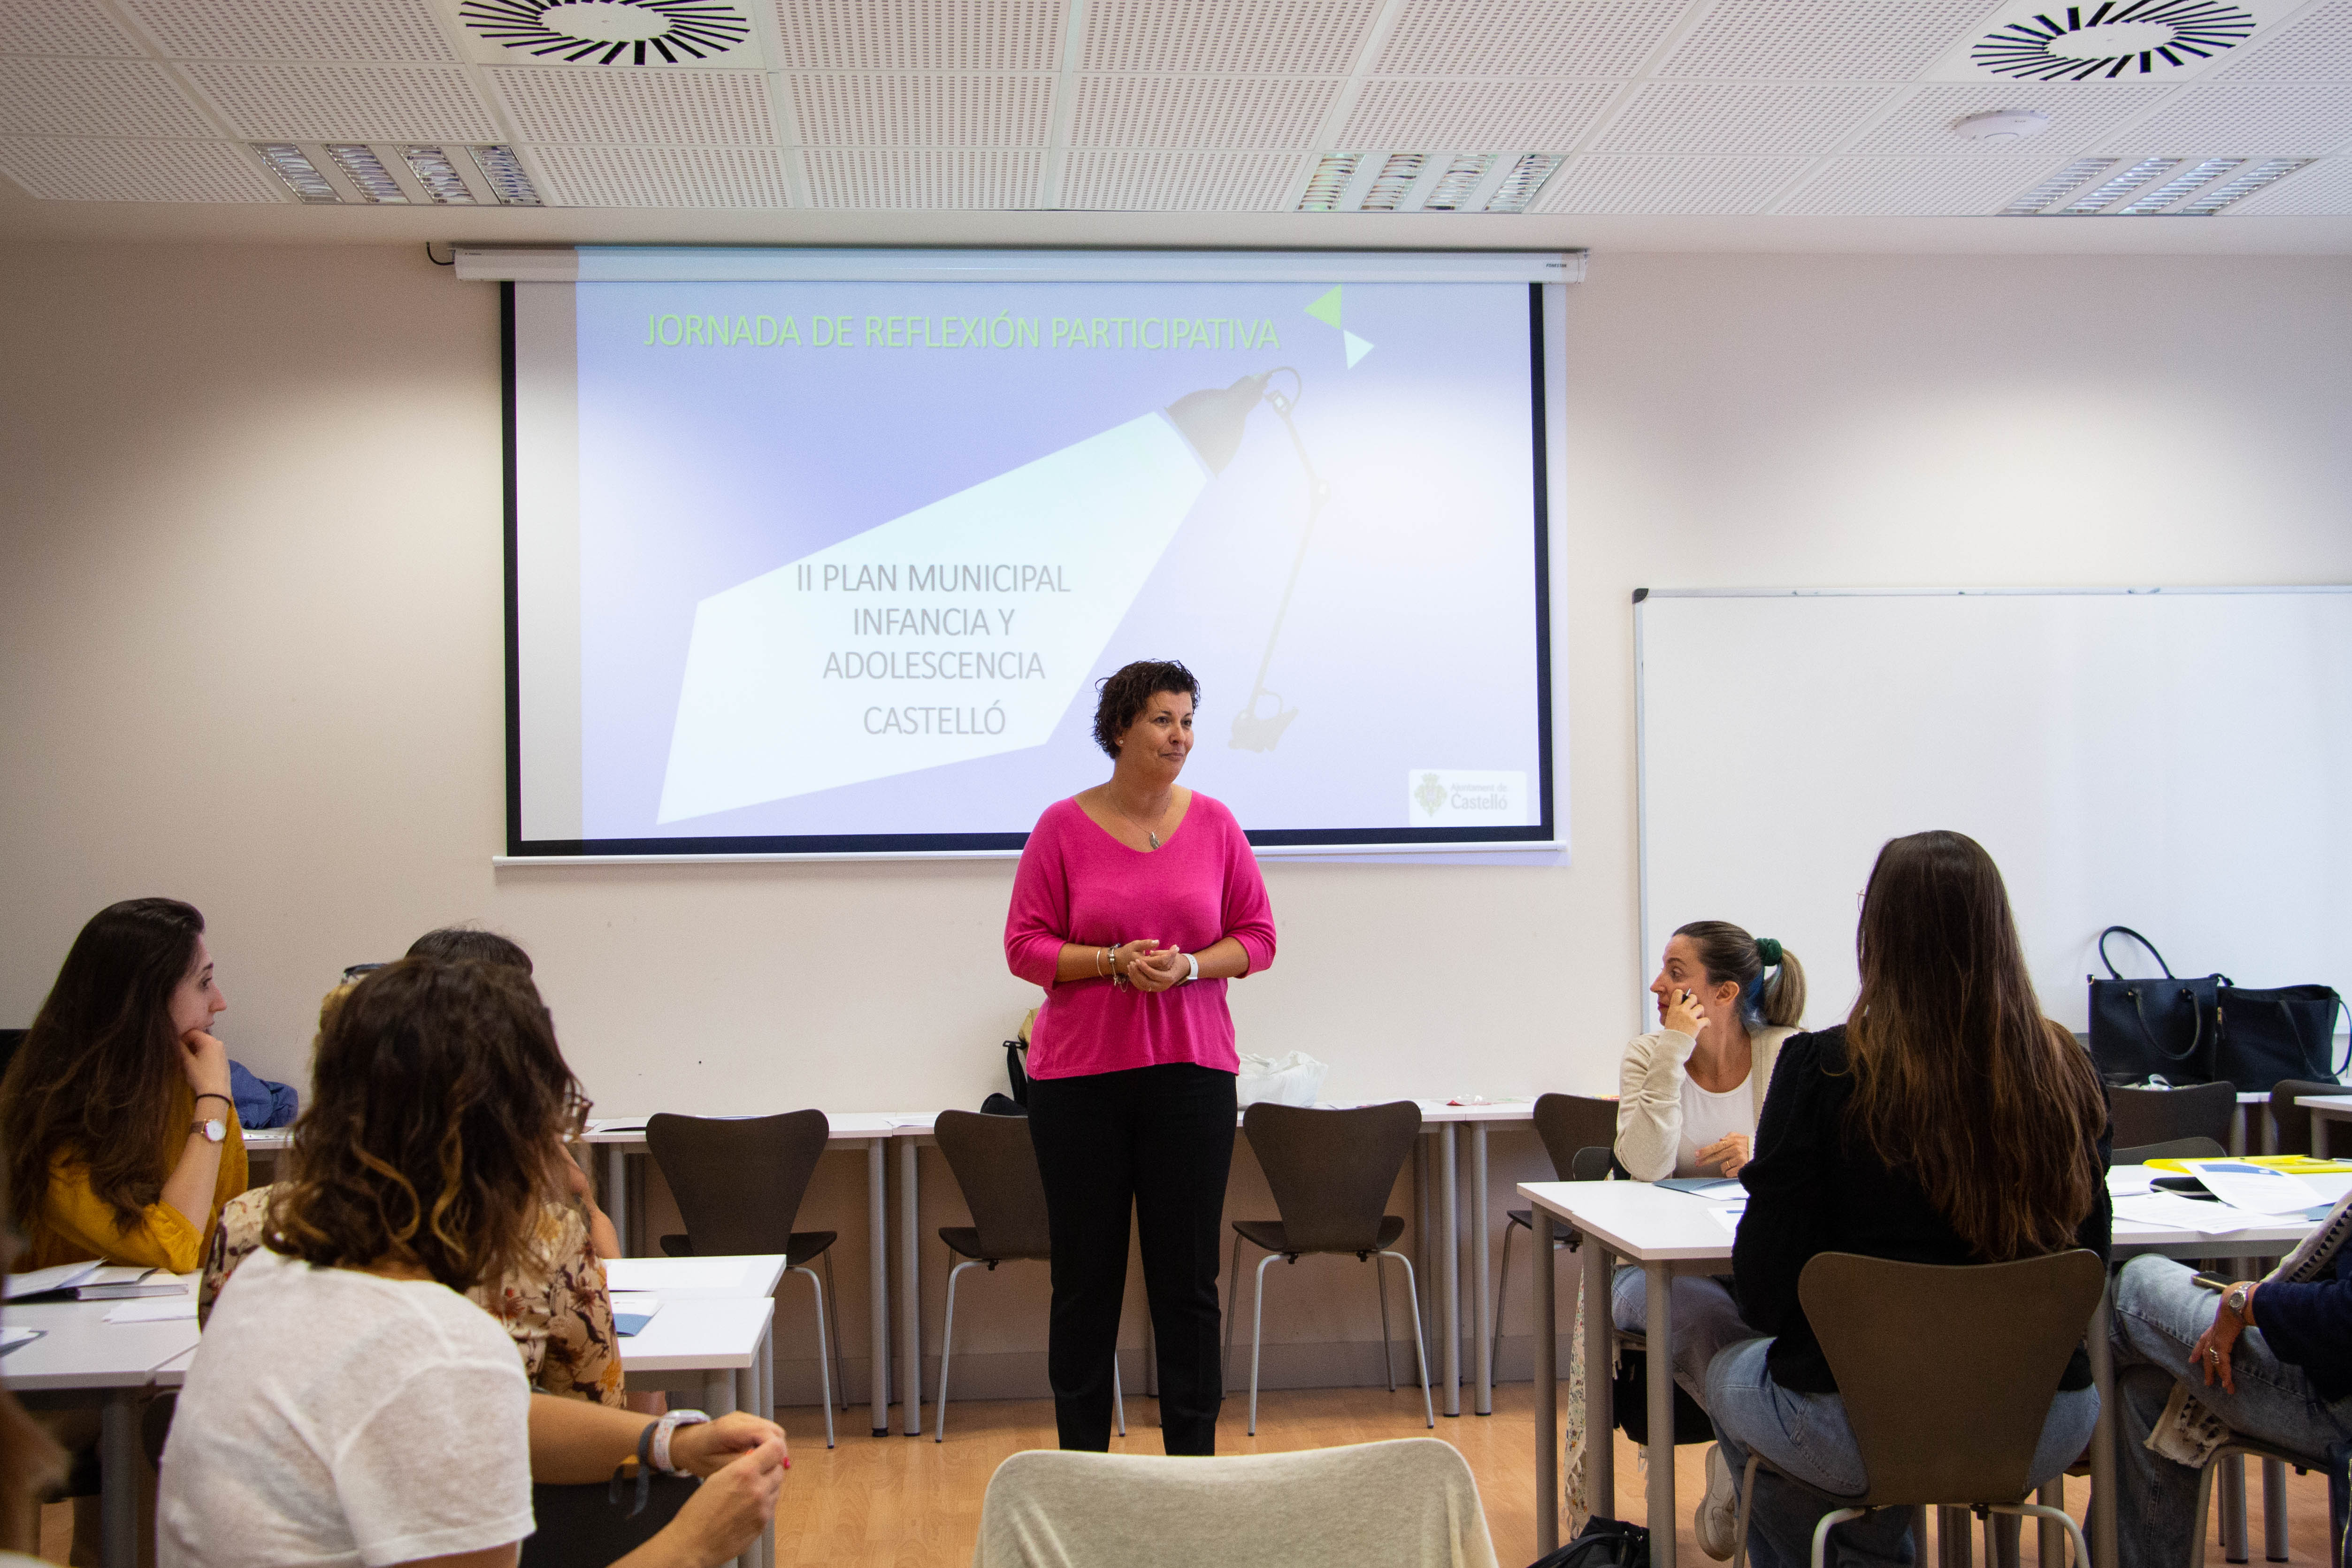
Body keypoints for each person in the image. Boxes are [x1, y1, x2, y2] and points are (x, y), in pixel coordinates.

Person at [159, 957, 788, 1568]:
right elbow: (463, 1391)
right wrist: (696, 1544)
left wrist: (668, 1441)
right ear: (501, 1146)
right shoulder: (445, 1346)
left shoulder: (271, 1280)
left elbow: (494, 1412)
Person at [1708, 831, 2110, 1568]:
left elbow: (1764, 1292)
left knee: (1726, 1372)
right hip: (2037, 1420)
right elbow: (2092, 1262)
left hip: (1853, 1422)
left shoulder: (1822, 1069)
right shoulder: (2066, 1069)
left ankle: (1864, 1544)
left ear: (1877, 933)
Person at [1003, 659, 1277, 1455]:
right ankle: (1081, 1468)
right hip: (1080, 1085)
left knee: (1187, 1286)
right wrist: (1110, 961)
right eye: (1162, 719)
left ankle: (1193, 1468)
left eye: (1188, 720)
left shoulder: (1218, 824)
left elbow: (1257, 938)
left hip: (1192, 1079)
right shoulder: (1061, 825)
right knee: (1085, 1286)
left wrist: (1189, 965)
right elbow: (1025, 946)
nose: (1180, 736)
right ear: (1119, 728)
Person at [1610, 922, 1804, 1550]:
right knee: (1717, 1325)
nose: (1655, 984)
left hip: (1758, 1262)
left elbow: (1810, 1171)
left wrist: (1761, 1153)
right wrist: (1673, 1049)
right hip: (1653, 1273)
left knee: (1795, 1317)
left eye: (1674, 971)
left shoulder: (1786, 1054)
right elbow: (1644, 1163)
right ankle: (1744, 1467)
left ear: (1722, 993)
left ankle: (1735, 1472)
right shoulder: (1647, 1054)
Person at [1, 897, 248, 1275]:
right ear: (144, 1003)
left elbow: (223, 1240)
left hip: (174, 1318)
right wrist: (213, 1101)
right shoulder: (46, 1116)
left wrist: (212, 1101)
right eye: (204, 983)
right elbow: (171, 1251)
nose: (220, 1002)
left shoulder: (197, 1089)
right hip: (66, 1328)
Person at [2107, 1225, 2352, 1568]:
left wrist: (2247, 1301)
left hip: (2339, 1402)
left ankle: (2049, 1416)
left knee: (2137, 1285)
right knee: (2150, 1389)